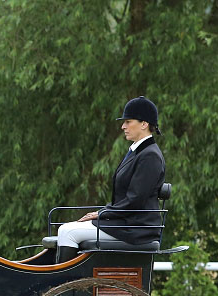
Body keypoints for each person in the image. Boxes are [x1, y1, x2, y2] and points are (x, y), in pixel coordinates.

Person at [55, 96, 165, 262]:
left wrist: (102, 213)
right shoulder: (137, 152)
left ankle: (62, 285)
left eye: (128, 121)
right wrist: (104, 213)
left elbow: (135, 200)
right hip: (125, 222)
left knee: (68, 232)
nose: (123, 126)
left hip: (136, 228)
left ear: (144, 124)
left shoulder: (150, 156)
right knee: (65, 230)